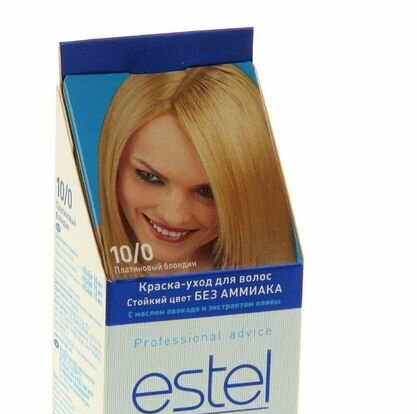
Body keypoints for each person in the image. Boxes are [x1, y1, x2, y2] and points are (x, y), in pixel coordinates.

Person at [97, 63, 297, 279]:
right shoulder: (84, 255)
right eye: (150, 177)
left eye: (208, 192)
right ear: (114, 164)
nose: (175, 216)